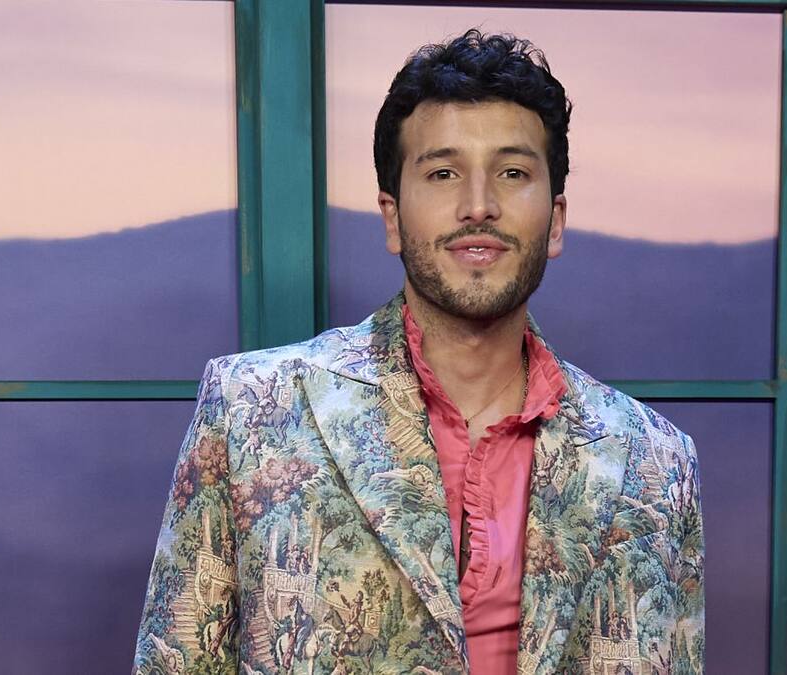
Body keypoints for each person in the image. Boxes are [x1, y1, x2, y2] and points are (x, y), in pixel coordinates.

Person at [132, 28, 703, 675]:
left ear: (557, 220)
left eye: (513, 173)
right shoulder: (250, 409)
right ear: (393, 217)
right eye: (442, 173)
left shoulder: (657, 460)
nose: (479, 205)